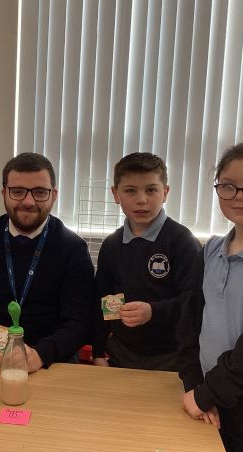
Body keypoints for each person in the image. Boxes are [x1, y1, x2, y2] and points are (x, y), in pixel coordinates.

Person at [0, 152, 95, 373]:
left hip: (50, 363)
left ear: (54, 195)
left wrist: (41, 354)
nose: (28, 201)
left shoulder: (73, 248)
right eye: (17, 192)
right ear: (4, 193)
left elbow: (79, 321)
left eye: (40, 192)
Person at [178, 141, 243, 452]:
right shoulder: (210, 251)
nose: (240, 195)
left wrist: (206, 394)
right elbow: (189, 325)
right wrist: (195, 387)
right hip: (208, 397)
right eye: (228, 185)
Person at [92, 152, 201, 371]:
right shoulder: (112, 245)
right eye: (130, 191)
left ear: (165, 192)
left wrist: (153, 311)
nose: (141, 200)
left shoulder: (182, 241)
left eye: (151, 190)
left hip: (171, 355)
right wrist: (97, 351)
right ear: (115, 194)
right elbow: (102, 300)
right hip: (121, 352)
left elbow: (194, 301)